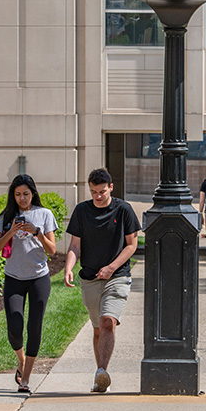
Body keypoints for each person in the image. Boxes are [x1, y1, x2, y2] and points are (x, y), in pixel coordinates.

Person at [64, 168, 140, 393]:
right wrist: (68, 267)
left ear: (111, 188)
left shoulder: (124, 210)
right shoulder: (82, 211)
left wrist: (111, 268)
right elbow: (75, 245)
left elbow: (131, 245)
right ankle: (100, 377)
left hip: (117, 275)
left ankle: (102, 371)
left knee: (108, 321)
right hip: (89, 278)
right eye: (94, 191)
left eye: (102, 192)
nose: (98, 196)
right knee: (98, 328)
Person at [0, 174, 58, 394]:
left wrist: (37, 232)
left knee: (34, 326)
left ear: (33, 193)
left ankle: (26, 378)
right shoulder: (6, 216)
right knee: (14, 326)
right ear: (13, 195)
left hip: (39, 277)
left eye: (26, 194)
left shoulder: (44, 214)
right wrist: (11, 230)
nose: (22, 198)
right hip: (13, 277)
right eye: (18, 194)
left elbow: (52, 250)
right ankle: (21, 361)